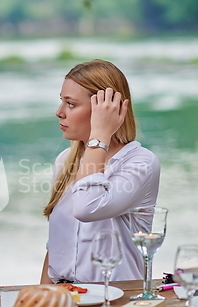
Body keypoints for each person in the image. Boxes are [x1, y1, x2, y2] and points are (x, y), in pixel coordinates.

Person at [40, 59, 160, 284]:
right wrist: (41, 300)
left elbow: (87, 207)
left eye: (71, 104)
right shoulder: (65, 160)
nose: (59, 112)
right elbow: (55, 248)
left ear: (106, 109)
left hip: (116, 301)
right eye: (61, 102)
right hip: (66, 299)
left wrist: (100, 135)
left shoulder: (141, 163)